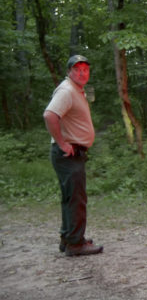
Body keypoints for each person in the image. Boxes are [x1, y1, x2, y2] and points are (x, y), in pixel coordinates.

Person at [43, 55, 104, 256]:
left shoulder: (77, 90)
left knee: (70, 197)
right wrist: (62, 143)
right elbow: (50, 115)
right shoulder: (67, 90)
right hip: (69, 155)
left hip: (73, 154)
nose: (82, 72)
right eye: (77, 69)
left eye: (85, 69)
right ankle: (75, 244)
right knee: (76, 198)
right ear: (69, 71)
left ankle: (68, 237)